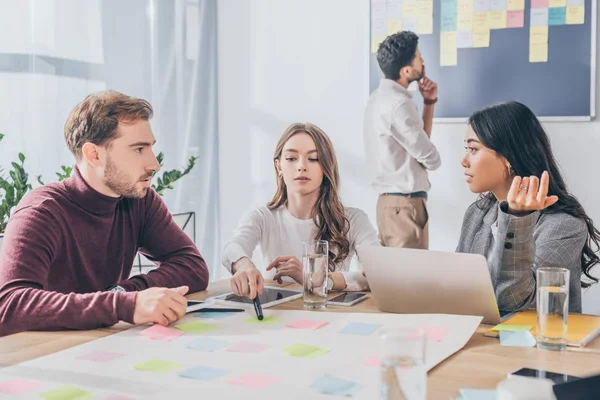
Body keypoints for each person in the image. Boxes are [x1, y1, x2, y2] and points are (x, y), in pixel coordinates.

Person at [0, 90, 209, 336]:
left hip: (99, 342)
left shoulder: (139, 201)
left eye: (151, 147)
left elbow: (193, 267)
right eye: (139, 149)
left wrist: (125, 291)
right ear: (94, 154)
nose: (154, 164)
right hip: (42, 354)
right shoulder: (41, 211)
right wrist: (123, 304)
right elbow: (10, 306)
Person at [457, 101, 599, 313]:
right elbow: (459, 289)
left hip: (533, 343)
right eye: (466, 149)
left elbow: (516, 302)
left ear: (508, 157)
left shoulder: (565, 225)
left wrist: (517, 219)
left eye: (474, 149)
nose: (464, 160)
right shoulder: (477, 214)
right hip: (477, 335)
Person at [223, 123, 379, 298]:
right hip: (279, 315)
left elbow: (378, 272)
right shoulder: (263, 216)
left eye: (313, 159)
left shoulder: (354, 219)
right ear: (279, 166)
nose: (301, 166)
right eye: (291, 158)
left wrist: (315, 279)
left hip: (332, 314)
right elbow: (232, 248)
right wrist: (245, 266)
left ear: (326, 167)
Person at [364, 30, 441, 250]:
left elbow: (417, 143)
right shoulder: (399, 105)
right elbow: (431, 158)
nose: (423, 61)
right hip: (405, 206)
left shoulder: (377, 99)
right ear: (406, 70)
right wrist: (433, 158)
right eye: (418, 57)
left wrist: (429, 103)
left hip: (390, 205)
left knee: (395, 278)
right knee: (410, 281)